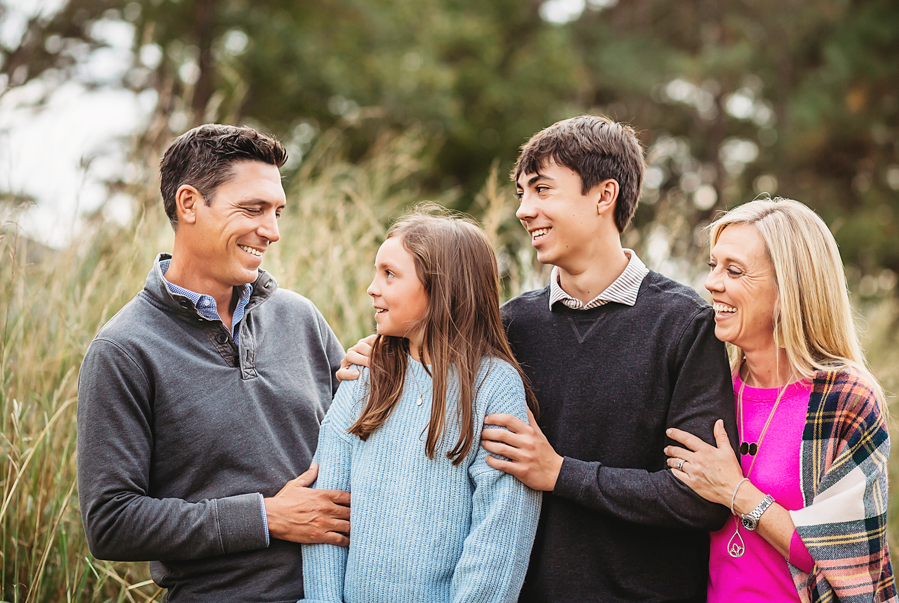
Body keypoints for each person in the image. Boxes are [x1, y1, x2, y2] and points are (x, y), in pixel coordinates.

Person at [339, 116, 737, 602]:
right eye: (522, 194)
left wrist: (560, 472)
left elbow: (699, 500)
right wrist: (383, 353)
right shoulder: (510, 326)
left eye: (542, 189)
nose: (525, 210)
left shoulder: (685, 325)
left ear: (604, 195)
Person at [77, 124, 351, 603]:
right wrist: (265, 517)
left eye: (277, 211)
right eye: (253, 209)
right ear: (189, 204)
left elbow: (364, 441)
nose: (272, 230)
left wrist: (392, 366)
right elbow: (111, 522)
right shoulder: (123, 350)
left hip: (342, 590)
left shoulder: (300, 317)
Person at [664, 198, 898, 602]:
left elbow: (844, 556)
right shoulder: (708, 387)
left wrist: (736, 492)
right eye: (713, 266)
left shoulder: (845, 401)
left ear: (788, 288)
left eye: (733, 270)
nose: (712, 283)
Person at [301, 212, 542, 603]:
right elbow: (326, 509)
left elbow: (500, 532)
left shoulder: (494, 386)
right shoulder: (365, 373)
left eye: (389, 274)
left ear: (439, 287)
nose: (371, 288)